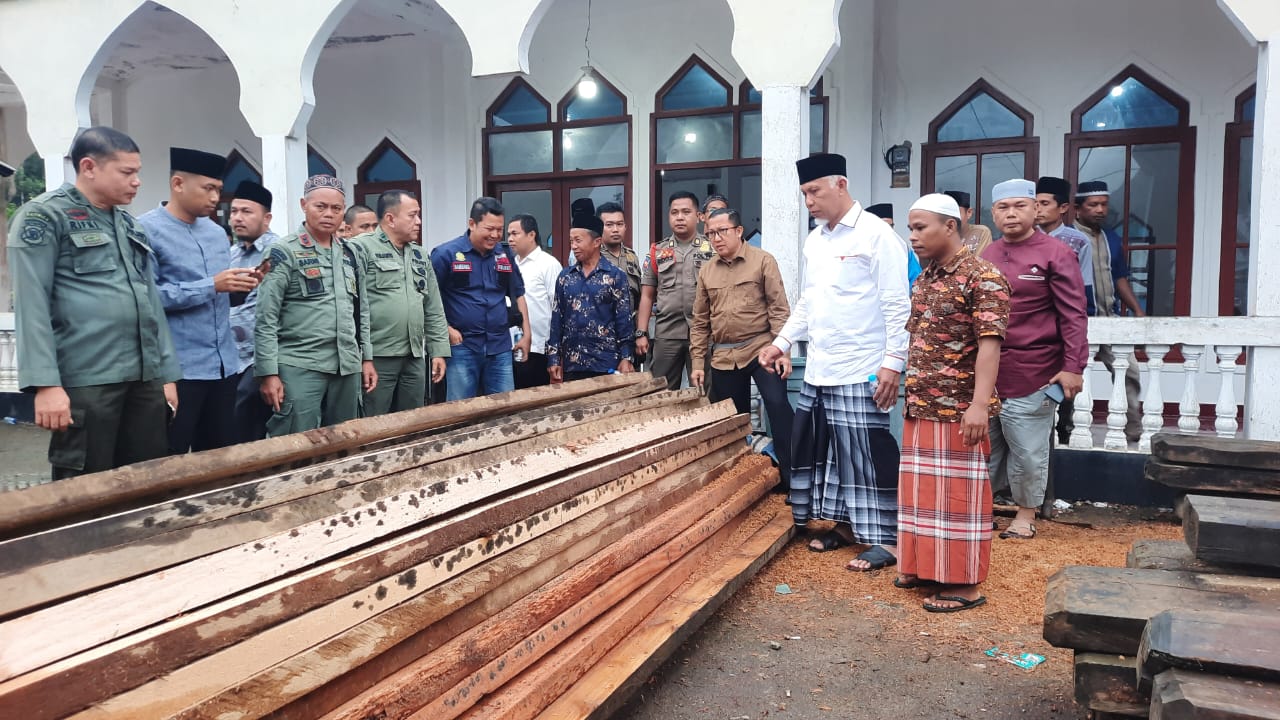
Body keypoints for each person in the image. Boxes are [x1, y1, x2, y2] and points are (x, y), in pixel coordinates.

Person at [759, 153, 909, 572]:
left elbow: (898, 305)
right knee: (826, 451)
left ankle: (887, 539)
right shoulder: (816, 240)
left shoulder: (877, 236)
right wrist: (783, 342)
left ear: (840, 184)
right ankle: (843, 525)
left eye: (814, 191)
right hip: (822, 365)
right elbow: (809, 301)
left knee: (866, 451)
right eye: (804, 193)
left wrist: (893, 364)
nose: (808, 200)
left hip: (863, 365)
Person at [8, 126, 181, 478]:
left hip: (144, 378)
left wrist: (166, 376)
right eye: (127, 172)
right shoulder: (45, 216)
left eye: (137, 172)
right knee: (84, 484)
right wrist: (46, 385)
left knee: (146, 478)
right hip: (87, 380)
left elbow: (150, 304)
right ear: (89, 167)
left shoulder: (130, 226)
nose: (137, 182)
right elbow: (31, 304)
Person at [895, 193, 1011, 613]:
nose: (913, 236)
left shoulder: (983, 277)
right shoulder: (926, 277)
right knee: (921, 496)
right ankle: (924, 567)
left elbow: (990, 346)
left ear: (950, 226)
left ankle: (964, 586)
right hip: (920, 404)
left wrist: (979, 405)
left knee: (958, 502)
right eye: (910, 228)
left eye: (921, 227)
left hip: (959, 410)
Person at [980, 179, 1089, 540]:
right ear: (993, 213)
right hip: (990, 370)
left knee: (1027, 449)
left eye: (1019, 206)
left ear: (1035, 209)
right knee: (986, 448)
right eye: (1003, 208)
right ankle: (983, 509)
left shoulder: (1056, 253)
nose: (1011, 214)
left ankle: (1025, 515)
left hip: (1037, 369)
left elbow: (1074, 315)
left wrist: (1073, 366)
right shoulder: (987, 255)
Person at [140, 147, 252, 454]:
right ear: (178, 184)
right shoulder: (146, 230)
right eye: (209, 189)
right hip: (179, 370)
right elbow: (148, 299)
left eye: (219, 189)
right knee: (169, 458)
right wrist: (211, 285)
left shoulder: (217, 233)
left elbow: (218, 298)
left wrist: (240, 286)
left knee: (219, 458)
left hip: (224, 366)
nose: (216, 197)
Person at [254, 174, 376, 436]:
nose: (329, 214)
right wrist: (268, 373)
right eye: (320, 207)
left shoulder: (351, 253)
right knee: (295, 442)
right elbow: (266, 317)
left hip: (346, 366)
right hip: (299, 365)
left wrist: (366, 358)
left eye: (336, 208)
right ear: (304, 205)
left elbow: (361, 311)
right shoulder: (283, 251)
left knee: (344, 440)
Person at [690, 207, 793, 489]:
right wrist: (698, 363)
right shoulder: (707, 271)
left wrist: (783, 350)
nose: (716, 238)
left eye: (722, 231)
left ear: (738, 231)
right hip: (724, 355)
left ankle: (792, 481)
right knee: (731, 421)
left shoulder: (763, 261)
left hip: (762, 348)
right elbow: (700, 322)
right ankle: (738, 484)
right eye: (710, 233)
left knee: (778, 407)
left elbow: (779, 309)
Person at [347, 190, 449, 415]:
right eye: (412, 215)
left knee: (412, 421)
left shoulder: (420, 254)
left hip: (413, 356)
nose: (418, 222)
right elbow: (352, 306)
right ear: (390, 219)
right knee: (374, 422)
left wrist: (438, 351)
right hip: (378, 356)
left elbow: (433, 307)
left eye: (419, 215)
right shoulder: (361, 248)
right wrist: (364, 357)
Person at [430, 197, 531, 400]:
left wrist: (527, 334)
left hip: (499, 346)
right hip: (462, 347)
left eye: (499, 229)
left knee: (503, 409)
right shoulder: (445, 254)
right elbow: (429, 301)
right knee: (461, 411)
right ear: (472, 224)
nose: (494, 235)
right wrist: (446, 330)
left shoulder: (504, 255)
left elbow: (518, 293)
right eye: (489, 229)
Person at [1075, 180, 1145, 444]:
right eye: (1093, 205)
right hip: (1079, 319)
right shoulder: (1069, 237)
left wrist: (1137, 310)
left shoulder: (1111, 238)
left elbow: (1120, 278)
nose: (1100, 210)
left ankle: (1133, 428)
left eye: (1104, 204)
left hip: (1109, 319)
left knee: (1129, 371)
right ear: (1077, 208)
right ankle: (1068, 427)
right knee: (1075, 376)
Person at [1035, 176, 1097, 444]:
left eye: (1044, 203)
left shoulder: (1077, 241)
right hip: (1034, 325)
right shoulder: (1023, 239)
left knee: (1065, 383)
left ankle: (1065, 433)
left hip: (1064, 323)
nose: (1038, 209)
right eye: (1034, 203)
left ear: (1062, 208)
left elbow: (1085, 286)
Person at [636, 191, 714, 390]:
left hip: (703, 333)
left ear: (699, 216)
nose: (680, 217)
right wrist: (641, 333)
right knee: (662, 392)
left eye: (686, 212)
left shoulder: (712, 250)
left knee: (704, 392)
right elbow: (646, 295)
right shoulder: (657, 251)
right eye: (674, 212)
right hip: (667, 333)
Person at [547, 207, 635, 382]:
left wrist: (627, 357)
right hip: (573, 362)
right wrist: (554, 357)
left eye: (578, 241)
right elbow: (557, 319)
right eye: (571, 241)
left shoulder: (615, 276)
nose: (574, 246)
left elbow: (624, 321)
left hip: (606, 362)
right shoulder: (565, 277)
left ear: (596, 242)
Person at [227, 180, 278, 442]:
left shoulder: (279, 253)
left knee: (248, 430)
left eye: (247, 212)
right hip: (230, 356)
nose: (237, 218)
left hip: (260, 357)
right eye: (234, 211)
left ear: (266, 218)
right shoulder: (231, 253)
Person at [508, 213, 561, 388]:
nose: (510, 239)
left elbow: (558, 307)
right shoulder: (508, 265)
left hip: (539, 348)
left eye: (515, 234)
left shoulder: (548, 264)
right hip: (511, 347)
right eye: (508, 234)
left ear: (531, 235)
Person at [596, 201, 643, 320]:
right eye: (609, 225)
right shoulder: (592, 257)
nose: (615, 229)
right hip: (602, 326)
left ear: (625, 227)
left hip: (630, 325)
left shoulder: (631, 257)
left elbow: (639, 295)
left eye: (619, 224)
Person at [944, 190, 993, 256]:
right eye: (946, 214)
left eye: (956, 213)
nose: (951, 219)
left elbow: (981, 263)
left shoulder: (981, 232)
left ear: (969, 213)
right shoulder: (939, 235)